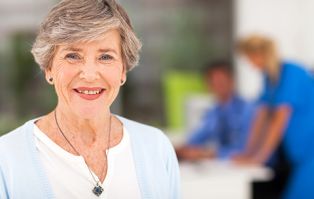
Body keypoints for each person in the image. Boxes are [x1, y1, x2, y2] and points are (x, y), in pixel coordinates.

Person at [0, 0, 180, 198]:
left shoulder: (156, 147)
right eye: (73, 56)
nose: (90, 74)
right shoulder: (7, 158)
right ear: (48, 68)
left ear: (123, 70)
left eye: (105, 57)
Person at [233, 35, 314, 199]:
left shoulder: (292, 72)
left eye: (249, 58)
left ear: (260, 54)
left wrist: (260, 157)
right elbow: (261, 117)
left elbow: (279, 120)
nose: (250, 64)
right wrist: (248, 152)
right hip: (297, 155)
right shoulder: (269, 78)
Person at [176, 60, 256, 161]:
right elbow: (197, 138)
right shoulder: (213, 113)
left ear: (232, 81)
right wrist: (181, 149)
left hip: (248, 165)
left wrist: (211, 154)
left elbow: (246, 149)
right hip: (225, 167)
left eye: (221, 81)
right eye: (213, 82)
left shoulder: (247, 109)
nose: (218, 85)